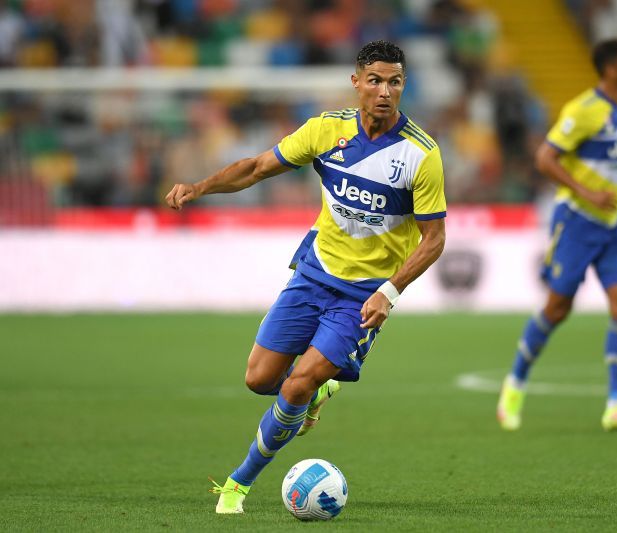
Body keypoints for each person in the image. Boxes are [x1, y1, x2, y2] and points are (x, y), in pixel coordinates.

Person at [165, 40, 446, 513]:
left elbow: (433, 239)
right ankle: (321, 389)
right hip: (315, 274)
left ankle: (238, 483)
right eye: (374, 80)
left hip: (362, 297)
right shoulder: (325, 130)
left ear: (403, 86)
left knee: (296, 386)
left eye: (394, 81)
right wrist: (201, 186)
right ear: (356, 82)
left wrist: (389, 292)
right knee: (259, 380)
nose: (384, 91)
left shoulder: (421, 154)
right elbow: (256, 168)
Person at [496, 38, 617, 432]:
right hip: (578, 221)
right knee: (557, 308)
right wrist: (587, 192)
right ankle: (514, 384)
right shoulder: (584, 111)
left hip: (616, 222)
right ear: (610, 69)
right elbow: (544, 158)